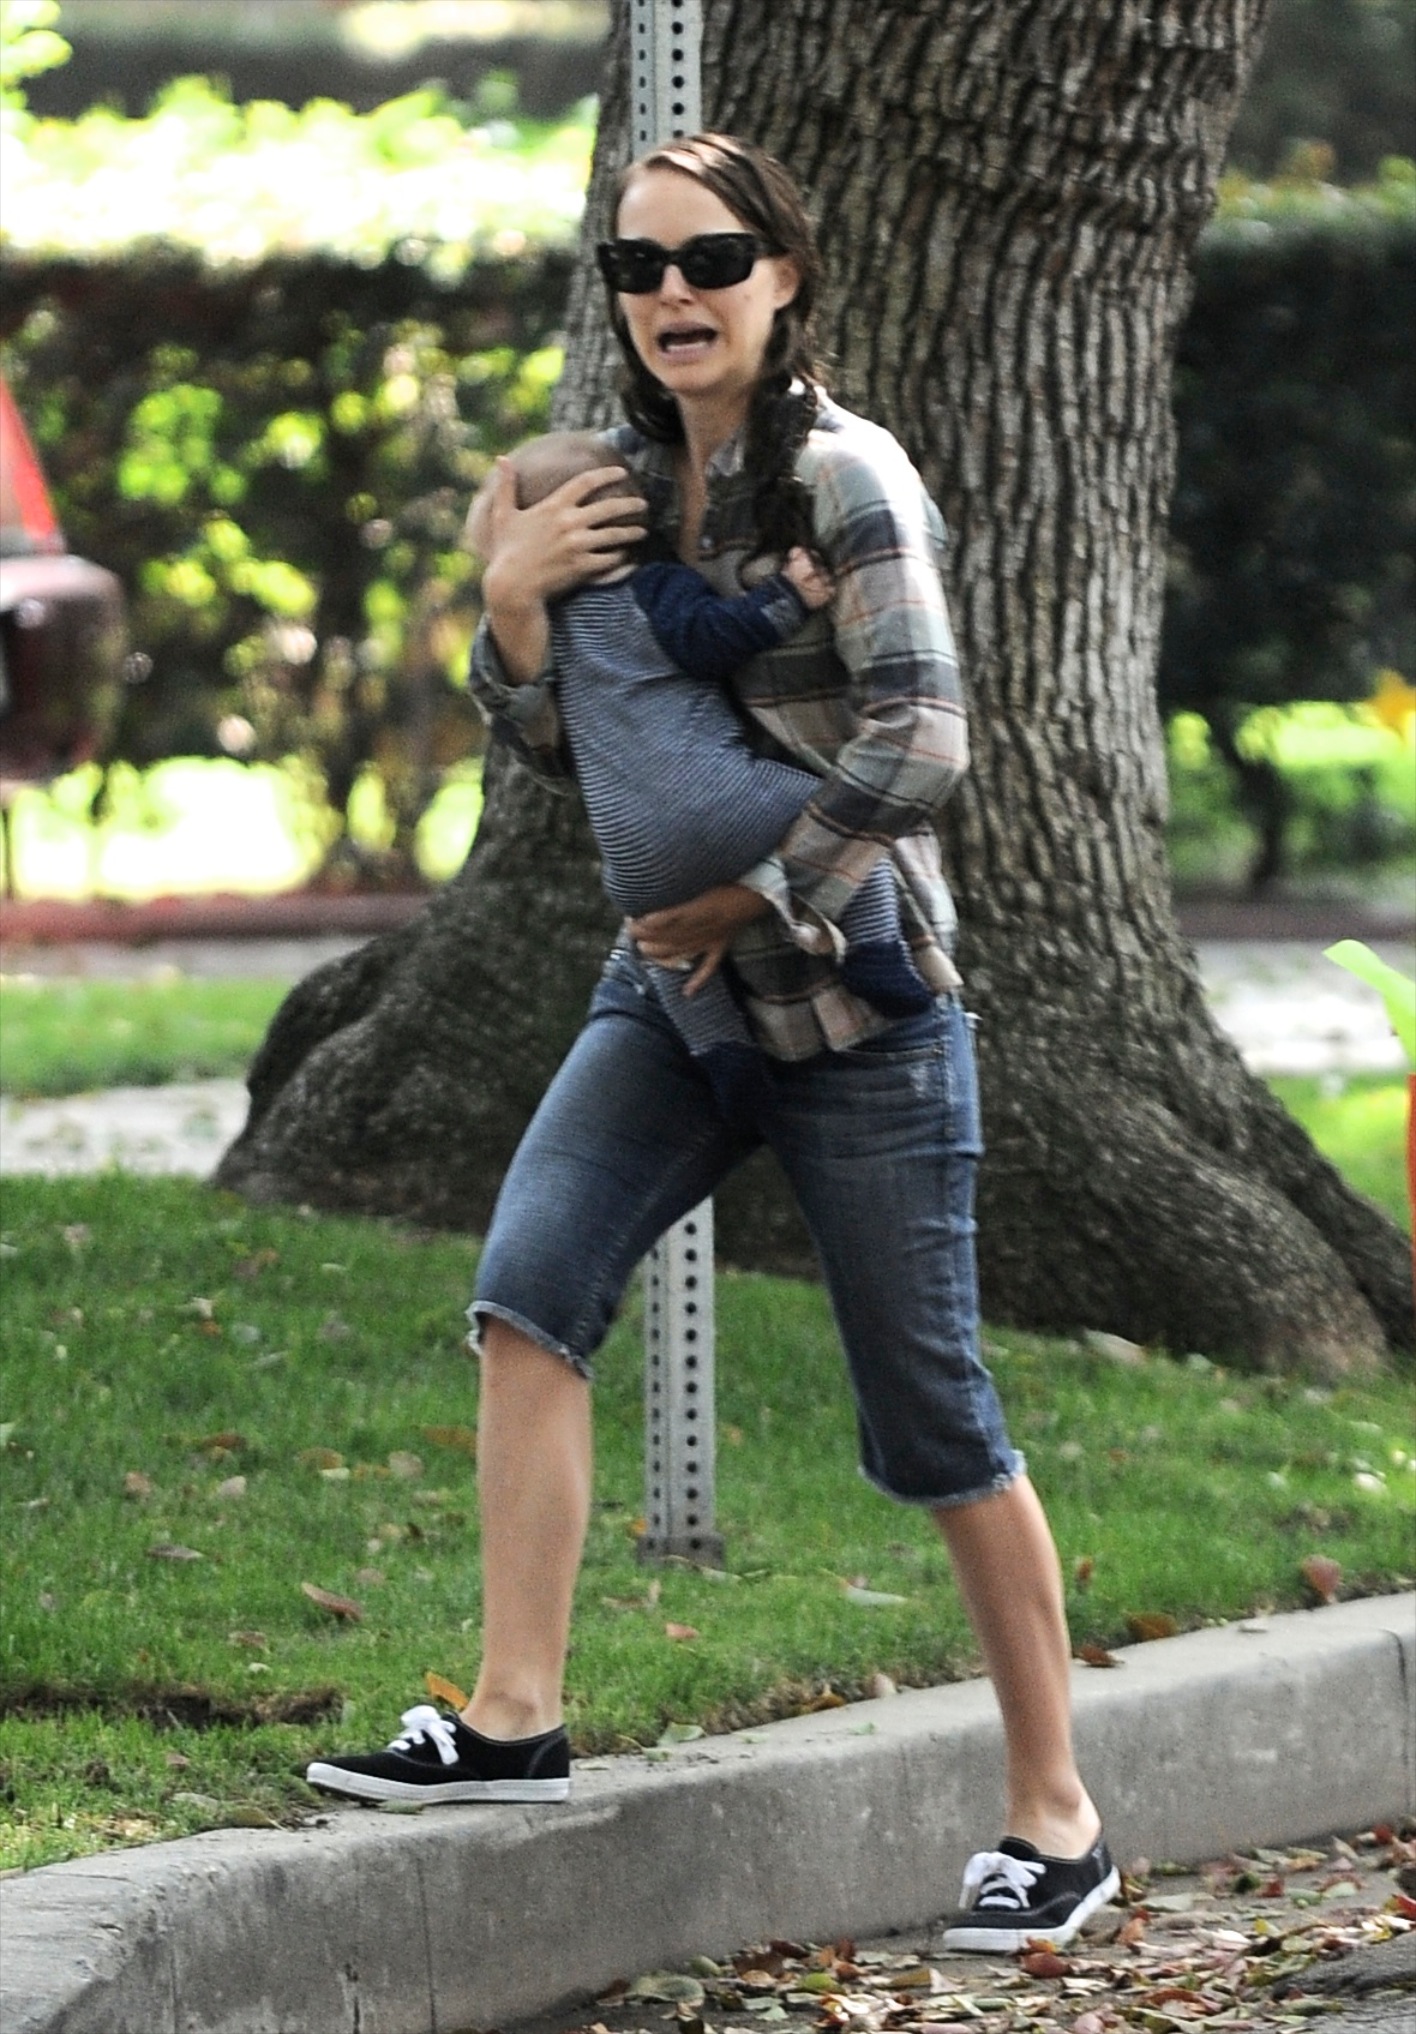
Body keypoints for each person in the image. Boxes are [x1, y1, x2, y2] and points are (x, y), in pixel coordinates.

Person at [306, 132, 1116, 1955]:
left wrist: (758, 888)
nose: (673, 293)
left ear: (784, 274)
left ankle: (1055, 1815)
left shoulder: (845, 476)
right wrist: (511, 613)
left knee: (933, 1410)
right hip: (667, 1000)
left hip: (851, 1004)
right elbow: (572, 744)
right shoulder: (597, 488)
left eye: (711, 258)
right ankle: (512, 1717)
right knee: (527, 1290)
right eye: (638, 266)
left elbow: (924, 738)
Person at [464, 427, 931, 1125]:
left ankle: (721, 1053)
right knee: (841, 809)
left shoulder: (544, 631)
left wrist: (509, 601)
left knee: (665, 952)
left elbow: (538, 736)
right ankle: (874, 949)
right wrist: (790, 595)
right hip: (723, 808)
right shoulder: (652, 589)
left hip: (631, 867)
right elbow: (715, 638)